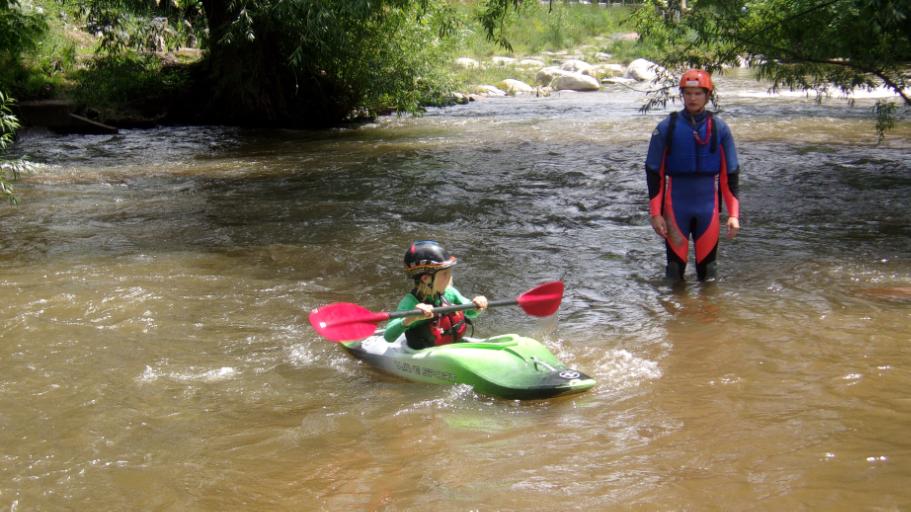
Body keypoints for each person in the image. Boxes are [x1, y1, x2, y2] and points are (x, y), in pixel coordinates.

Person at [644, 69, 741, 281]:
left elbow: (729, 174)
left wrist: (733, 214)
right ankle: (674, 313)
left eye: (698, 93)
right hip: (675, 207)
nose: (692, 98)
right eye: (688, 93)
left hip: (708, 208)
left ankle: (706, 314)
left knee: (708, 275)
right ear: (682, 95)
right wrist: (655, 214)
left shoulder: (720, 128)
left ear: (707, 95)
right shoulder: (666, 128)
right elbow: (654, 172)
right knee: (674, 273)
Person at [384, 240, 488, 350]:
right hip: (423, 353)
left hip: (450, 346)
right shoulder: (411, 302)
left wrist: (477, 305)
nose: (450, 277)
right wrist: (411, 318)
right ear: (426, 279)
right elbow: (388, 337)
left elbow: (470, 312)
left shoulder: (449, 292)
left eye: (449, 272)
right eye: (444, 274)